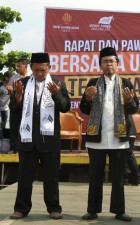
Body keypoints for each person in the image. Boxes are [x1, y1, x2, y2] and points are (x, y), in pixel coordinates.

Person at [9, 52, 71, 220]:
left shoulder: (58, 84)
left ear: (49, 68)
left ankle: (54, 208)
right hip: (27, 139)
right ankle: (21, 208)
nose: (40, 74)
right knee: (24, 177)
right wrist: (18, 97)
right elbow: (14, 112)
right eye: (36, 70)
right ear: (31, 68)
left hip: (49, 139)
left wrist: (57, 94)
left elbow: (65, 107)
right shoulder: (20, 83)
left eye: (43, 70)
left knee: (51, 177)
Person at [80, 47, 139, 222]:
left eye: (112, 61)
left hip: (118, 137)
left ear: (117, 64)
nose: (109, 64)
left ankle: (119, 211)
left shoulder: (126, 83)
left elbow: (134, 108)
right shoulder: (93, 82)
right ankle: (92, 210)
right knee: (95, 176)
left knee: (118, 177)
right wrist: (88, 99)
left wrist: (129, 102)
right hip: (97, 136)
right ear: (100, 65)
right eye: (105, 61)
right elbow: (84, 109)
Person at [124, 114, 140, 186]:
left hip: (127, 132)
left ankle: (126, 179)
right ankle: (136, 177)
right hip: (130, 132)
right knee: (129, 154)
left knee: (125, 155)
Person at [0, 71, 14, 138]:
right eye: (11, 77)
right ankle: (3, 138)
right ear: (6, 78)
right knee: (3, 124)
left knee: (8, 124)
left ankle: (7, 139)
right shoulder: (1, 87)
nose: (13, 79)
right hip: (2, 109)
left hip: (9, 109)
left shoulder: (13, 86)